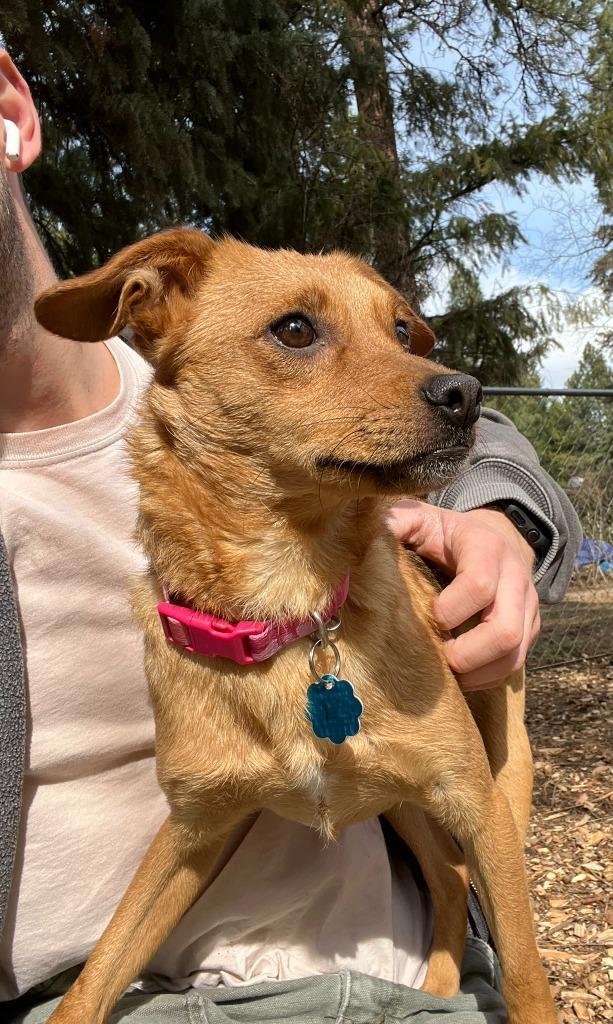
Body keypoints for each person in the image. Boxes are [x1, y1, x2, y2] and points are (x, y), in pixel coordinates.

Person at [0, 49, 581, 1024]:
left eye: (393, 333)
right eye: (301, 336)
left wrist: (503, 521)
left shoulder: (187, 365)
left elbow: (454, 430)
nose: (411, 372)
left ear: (8, 111)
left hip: (401, 968)